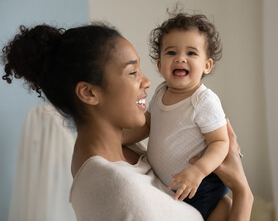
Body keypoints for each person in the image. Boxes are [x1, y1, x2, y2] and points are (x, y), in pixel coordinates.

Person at [2, 23, 253, 221]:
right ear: (89, 93)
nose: (147, 82)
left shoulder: (120, 151)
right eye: (132, 72)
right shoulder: (121, 190)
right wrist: (243, 194)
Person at [123, 11, 230, 220]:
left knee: (213, 210)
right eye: (171, 53)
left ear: (207, 65)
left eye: (191, 53)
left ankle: (224, 208)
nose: (181, 58)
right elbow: (147, 126)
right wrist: (118, 137)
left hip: (200, 184)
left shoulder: (203, 100)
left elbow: (220, 142)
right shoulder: (161, 92)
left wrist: (198, 171)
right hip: (170, 185)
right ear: (160, 64)